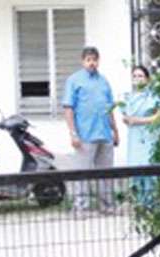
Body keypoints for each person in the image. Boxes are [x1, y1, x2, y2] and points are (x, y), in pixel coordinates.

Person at [63, 46, 119, 216]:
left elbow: (109, 108)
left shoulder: (104, 81)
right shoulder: (74, 81)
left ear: (98, 61)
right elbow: (68, 109)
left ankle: (107, 207)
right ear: (83, 61)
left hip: (104, 134)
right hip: (84, 135)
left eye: (95, 59)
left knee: (106, 174)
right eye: (88, 59)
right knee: (82, 174)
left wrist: (115, 131)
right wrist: (73, 133)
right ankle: (81, 208)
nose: (92, 63)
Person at [120, 65, 160, 207]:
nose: (137, 79)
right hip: (134, 137)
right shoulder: (128, 98)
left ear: (147, 79)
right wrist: (127, 119)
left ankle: (151, 203)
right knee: (135, 167)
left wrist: (139, 121)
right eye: (135, 76)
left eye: (141, 76)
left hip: (149, 134)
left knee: (149, 167)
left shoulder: (153, 96)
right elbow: (125, 116)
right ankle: (139, 203)